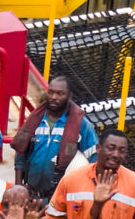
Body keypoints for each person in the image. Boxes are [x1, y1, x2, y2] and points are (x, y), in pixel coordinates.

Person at [12, 73, 95, 210]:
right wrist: (18, 185)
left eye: (60, 94)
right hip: (31, 195)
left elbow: (94, 157)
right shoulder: (35, 120)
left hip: (60, 199)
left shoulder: (80, 124)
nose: (54, 97)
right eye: (51, 92)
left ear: (69, 96)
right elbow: (21, 152)